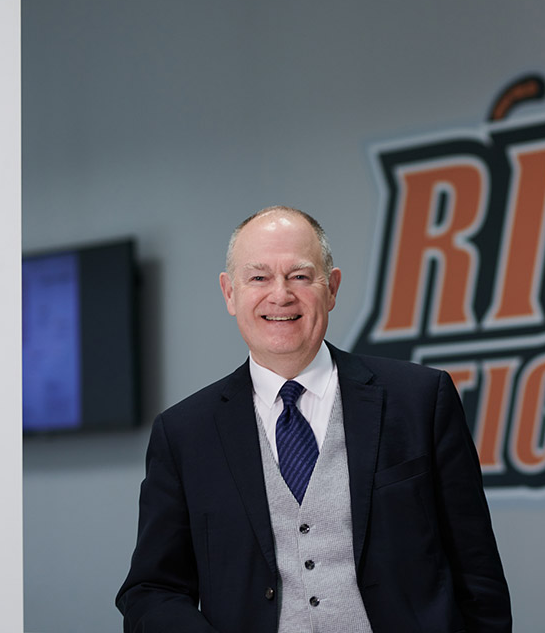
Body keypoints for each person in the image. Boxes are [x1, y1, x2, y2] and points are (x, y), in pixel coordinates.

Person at [116, 206, 512, 632]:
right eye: (259, 277)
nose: (280, 294)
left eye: (300, 276)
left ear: (332, 288)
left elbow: (478, 574)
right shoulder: (184, 433)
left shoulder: (419, 399)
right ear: (230, 293)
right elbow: (150, 590)